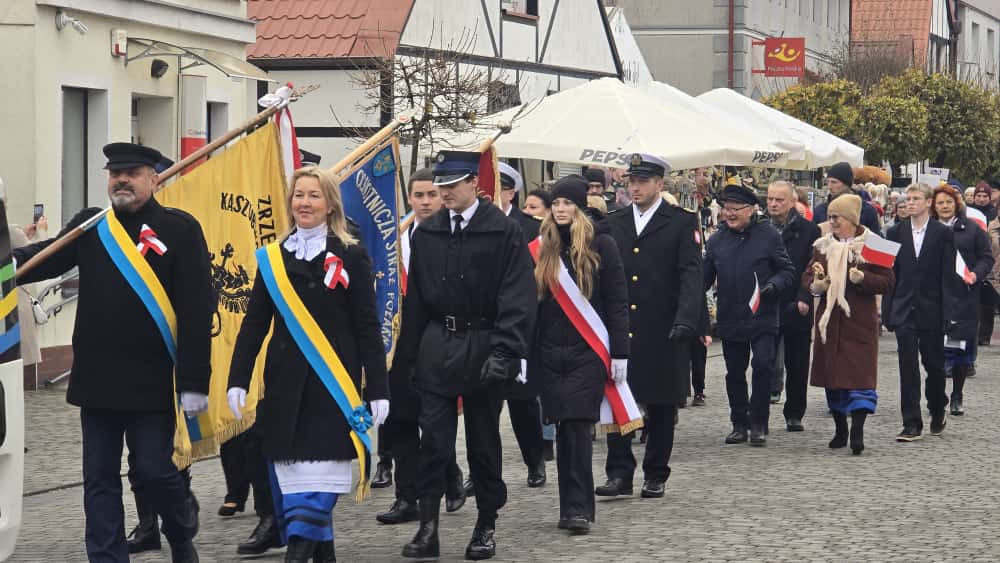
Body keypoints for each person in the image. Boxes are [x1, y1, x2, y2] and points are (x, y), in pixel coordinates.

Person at [14, 142, 210, 563]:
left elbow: (197, 309)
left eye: (133, 172)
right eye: (115, 173)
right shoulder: (93, 225)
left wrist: (195, 381)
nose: (121, 179)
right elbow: (43, 260)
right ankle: (106, 556)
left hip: (154, 380)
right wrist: (7, 265)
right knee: (99, 481)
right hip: (98, 380)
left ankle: (180, 529)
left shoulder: (180, 229)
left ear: (154, 179)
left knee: (156, 473)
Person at [227, 166, 389, 562]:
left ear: (330, 203)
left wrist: (379, 389)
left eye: (314, 195)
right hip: (284, 391)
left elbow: (368, 326)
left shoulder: (351, 254)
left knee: (315, 498)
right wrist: (238, 379)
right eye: (299, 194)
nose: (305, 202)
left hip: (332, 391)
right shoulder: (273, 259)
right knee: (299, 494)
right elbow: (254, 323)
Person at [398, 150, 536, 560]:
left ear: (474, 184)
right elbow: (417, 300)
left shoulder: (503, 231)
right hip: (439, 342)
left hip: (484, 341)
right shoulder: (428, 232)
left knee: (483, 441)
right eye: (441, 187)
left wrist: (506, 350)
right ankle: (428, 527)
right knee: (434, 443)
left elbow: (518, 297)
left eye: (452, 186)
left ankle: (485, 523)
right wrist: (408, 356)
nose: (445, 193)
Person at [596, 154, 702, 499]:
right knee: (619, 399)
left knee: (661, 402)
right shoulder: (614, 221)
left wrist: (687, 318)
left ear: (660, 184)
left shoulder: (681, 222)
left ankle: (656, 472)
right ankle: (619, 472)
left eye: (642, 181)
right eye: (631, 181)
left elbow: (690, 274)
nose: (635, 187)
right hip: (623, 324)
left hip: (663, 324)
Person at [529, 175, 629, 534]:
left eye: (567, 203)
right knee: (562, 428)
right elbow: (532, 307)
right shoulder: (542, 248)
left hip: (588, 352)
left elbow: (617, 303)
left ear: (580, 207)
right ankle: (567, 505)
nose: (560, 209)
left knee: (577, 428)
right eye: (555, 203)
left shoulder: (602, 244)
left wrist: (620, 353)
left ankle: (579, 509)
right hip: (549, 353)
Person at [376, 168, 466, 526]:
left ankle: (450, 476)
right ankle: (406, 496)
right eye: (419, 196)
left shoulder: (453, 233)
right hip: (397, 342)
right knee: (399, 422)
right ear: (409, 199)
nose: (426, 202)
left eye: (432, 194)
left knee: (433, 425)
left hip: (437, 341)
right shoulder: (393, 239)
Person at [704, 182, 796, 446]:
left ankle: (759, 423)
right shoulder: (717, 239)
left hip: (762, 314)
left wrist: (773, 286)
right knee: (734, 372)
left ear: (751, 210)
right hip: (731, 315)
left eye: (735, 209)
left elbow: (787, 271)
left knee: (763, 366)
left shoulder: (768, 235)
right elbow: (704, 277)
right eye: (725, 209)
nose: (729, 214)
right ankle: (738, 423)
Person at [804, 194, 895, 454]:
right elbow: (810, 273)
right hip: (830, 322)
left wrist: (862, 278)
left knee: (860, 380)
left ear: (852, 220)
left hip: (859, 321)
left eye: (837, 217)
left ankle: (857, 429)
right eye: (830, 217)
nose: (832, 222)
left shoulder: (874, 246)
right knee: (833, 379)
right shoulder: (822, 246)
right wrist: (815, 285)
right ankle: (840, 427)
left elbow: (888, 282)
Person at [883, 183, 955, 441]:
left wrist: (949, 312)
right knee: (907, 366)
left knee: (934, 366)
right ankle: (911, 423)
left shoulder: (942, 234)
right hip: (904, 308)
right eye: (907, 199)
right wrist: (887, 310)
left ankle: (937, 407)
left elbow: (948, 275)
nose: (910, 203)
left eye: (915, 199)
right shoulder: (894, 233)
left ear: (928, 203)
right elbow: (890, 274)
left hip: (932, 309)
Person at [493, 161, 547, 489]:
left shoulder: (530, 227)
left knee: (522, 402)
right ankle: (483, 470)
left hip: (519, 326)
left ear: (511, 191)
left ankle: (534, 459)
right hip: (485, 326)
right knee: (483, 407)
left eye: (497, 187)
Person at [931, 184, 993, 415]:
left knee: (959, 352)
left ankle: (957, 394)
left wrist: (976, 274)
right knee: (933, 351)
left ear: (957, 204)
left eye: (948, 202)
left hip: (962, 298)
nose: (944, 206)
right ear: (933, 206)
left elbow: (987, 258)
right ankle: (937, 396)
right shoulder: (928, 229)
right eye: (940, 203)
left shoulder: (973, 230)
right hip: (934, 298)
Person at [767, 181, 820, 431]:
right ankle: (760, 413)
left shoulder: (809, 230)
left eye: (779, 200)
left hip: (796, 302)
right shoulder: (761, 228)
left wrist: (805, 296)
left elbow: (813, 267)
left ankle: (795, 412)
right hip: (767, 302)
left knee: (797, 362)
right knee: (764, 361)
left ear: (791, 202)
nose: (774, 204)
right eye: (770, 199)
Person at [813, 162, 881, 234]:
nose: (829, 186)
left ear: (847, 184)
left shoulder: (867, 210)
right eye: (827, 182)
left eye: (834, 182)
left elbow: (875, 241)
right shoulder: (820, 210)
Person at [970, 182, 998, 346]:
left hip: (989, 261)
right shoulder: (967, 212)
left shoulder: (993, 214)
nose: (981, 199)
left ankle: (985, 335)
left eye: (984, 196)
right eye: (978, 196)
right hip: (972, 261)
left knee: (987, 302)